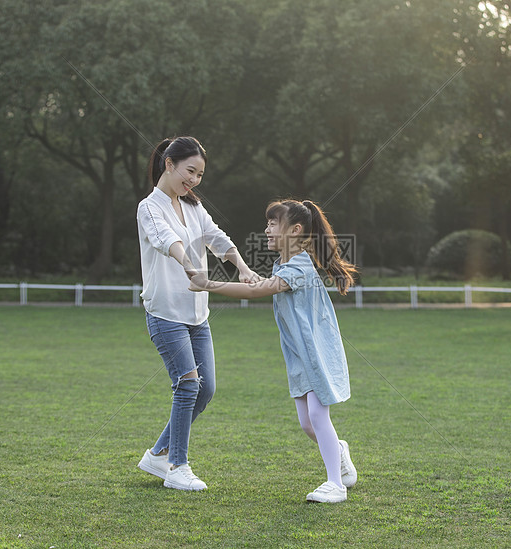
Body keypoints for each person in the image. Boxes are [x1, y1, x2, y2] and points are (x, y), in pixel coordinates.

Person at [189, 199, 358, 503]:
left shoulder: (300, 264)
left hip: (316, 351)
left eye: (272, 223)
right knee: (308, 423)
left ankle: (336, 484)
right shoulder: (284, 265)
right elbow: (266, 285)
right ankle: (340, 451)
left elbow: (259, 291)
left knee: (319, 417)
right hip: (298, 353)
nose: (266, 228)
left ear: (294, 230)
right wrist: (254, 278)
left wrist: (208, 284)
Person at [136, 136, 259, 491]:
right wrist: (190, 266)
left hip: (197, 315)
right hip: (165, 313)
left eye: (200, 174)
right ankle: (177, 466)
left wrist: (242, 267)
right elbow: (165, 240)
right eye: (190, 171)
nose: (194, 180)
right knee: (188, 383)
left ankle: (158, 453)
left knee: (205, 390)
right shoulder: (149, 208)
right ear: (169, 163)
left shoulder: (193, 207)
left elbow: (216, 237)